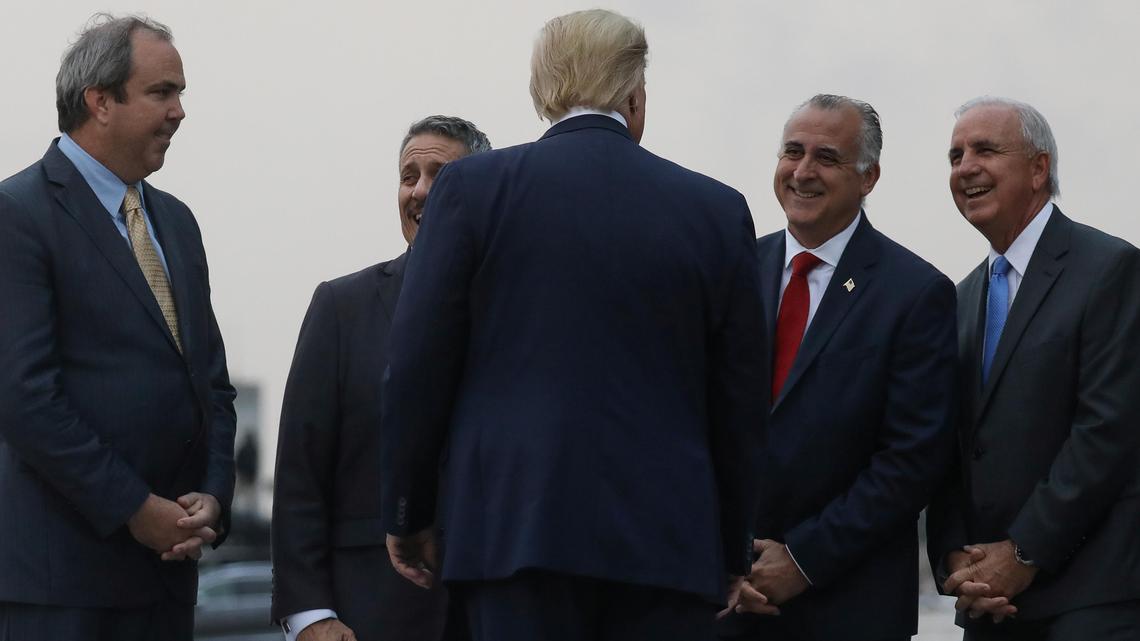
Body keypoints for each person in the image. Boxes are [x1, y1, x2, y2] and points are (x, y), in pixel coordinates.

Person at [379, 9, 768, 640]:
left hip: (512, 537)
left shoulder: (474, 190)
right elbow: (739, 400)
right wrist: (728, 548)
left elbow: (417, 365)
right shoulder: (716, 210)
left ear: (542, 91)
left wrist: (409, 512)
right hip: (668, 550)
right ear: (634, 94)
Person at [0, 14, 236, 641]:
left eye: (179, 93)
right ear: (99, 102)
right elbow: (24, 396)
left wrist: (213, 497)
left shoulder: (177, 224)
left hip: (166, 580)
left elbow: (211, 383)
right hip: (63, 589)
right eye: (163, 92)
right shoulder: (17, 215)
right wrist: (133, 509)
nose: (180, 111)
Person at [720, 94, 957, 641]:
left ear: (868, 176)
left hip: (846, 605)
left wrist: (802, 560)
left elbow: (912, 460)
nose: (802, 172)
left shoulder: (916, 294)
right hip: (724, 601)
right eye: (792, 152)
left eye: (826, 158)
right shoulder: (729, 270)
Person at [926, 96, 1140, 640]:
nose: (965, 167)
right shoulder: (959, 298)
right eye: (955, 156)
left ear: (1039, 168)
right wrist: (956, 559)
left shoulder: (1109, 268)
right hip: (988, 602)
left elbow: (1107, 431)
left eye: (985, 150)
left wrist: (1023, 553)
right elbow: (949, 444)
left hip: (1089, 597)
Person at [271, 115, 490, 641]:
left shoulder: (520, 313)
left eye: (439, 173)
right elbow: (301, 472)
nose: (419, 191)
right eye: (407, 175)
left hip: (491, 610)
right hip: (368, 616)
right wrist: (308, 615)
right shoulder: (341, 308)